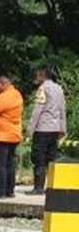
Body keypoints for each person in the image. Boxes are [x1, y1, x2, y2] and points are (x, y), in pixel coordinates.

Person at [27, 66, 67, 194]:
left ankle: (38, 187)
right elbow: (62, 109)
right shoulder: (59, 88)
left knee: (39, 158)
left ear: (43, 75)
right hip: (55, 129)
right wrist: (63, 128)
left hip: (42, 129)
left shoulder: (43, 89)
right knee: (51, 159)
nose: (36, 77)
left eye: (38, 75)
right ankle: (51, 187)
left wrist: (30, 129)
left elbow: (37, 110)